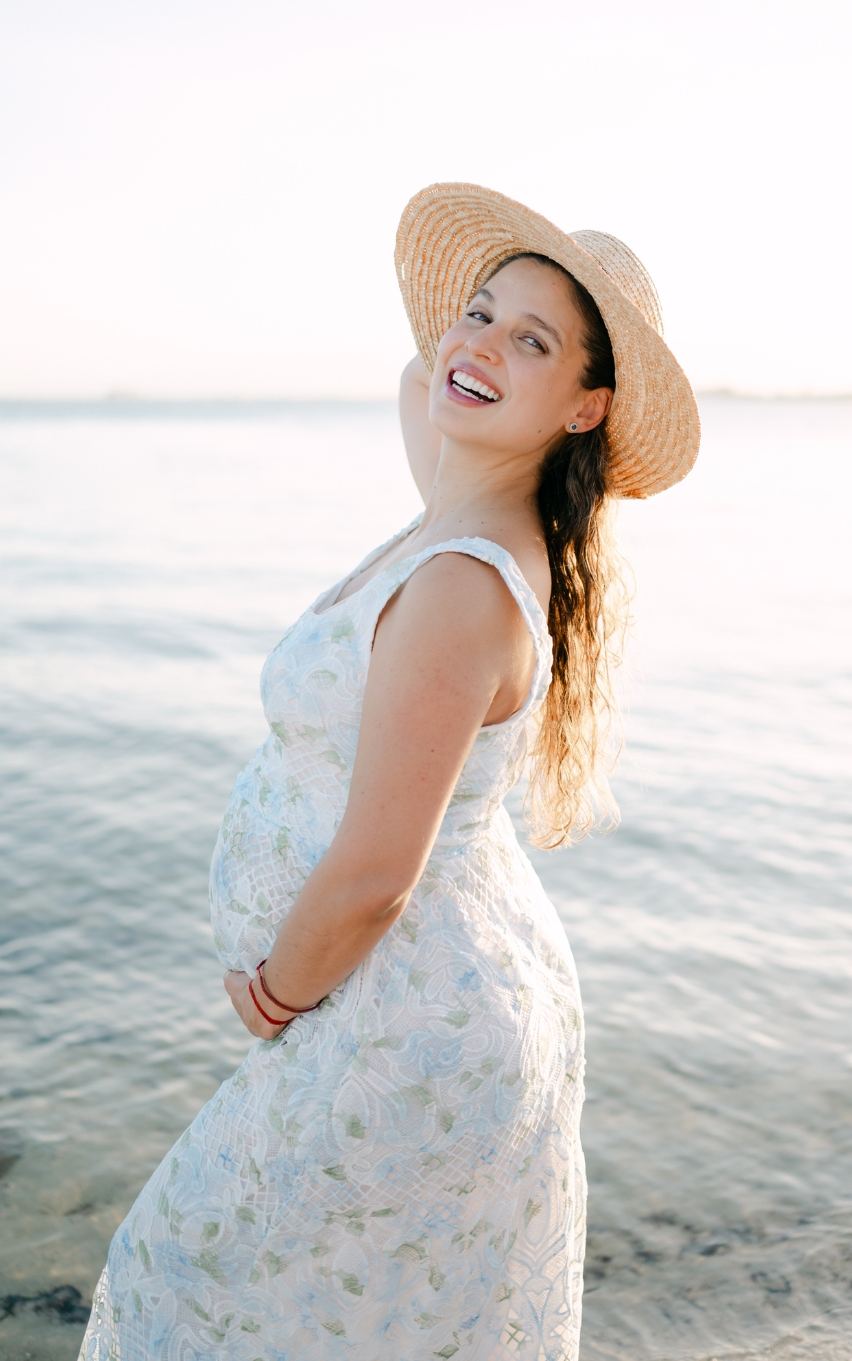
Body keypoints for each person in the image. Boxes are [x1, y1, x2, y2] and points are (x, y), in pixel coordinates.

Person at [80, 182, 700, 1357]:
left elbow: (375, 871)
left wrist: (274, 993)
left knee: (189, 1293)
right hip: (426, 1001)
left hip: (398, 1017)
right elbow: (422, 377)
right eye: (477, 312)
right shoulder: (459, 502)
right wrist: (483, 337)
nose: (474, 347)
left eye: (534, 342)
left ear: (585, 405)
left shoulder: (462, 584)